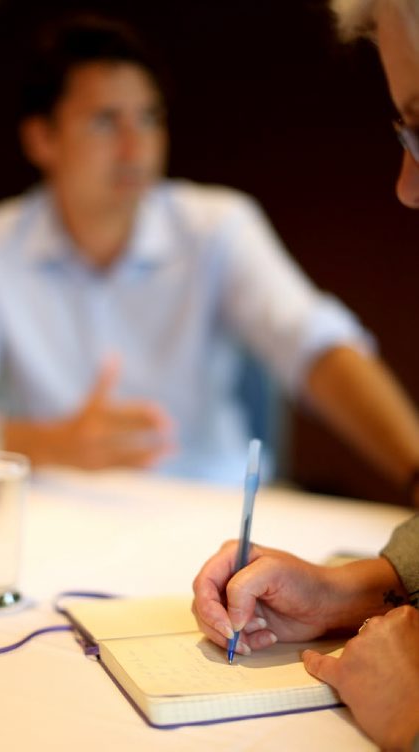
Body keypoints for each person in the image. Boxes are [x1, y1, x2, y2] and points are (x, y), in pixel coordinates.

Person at [0, 14, 419, 490]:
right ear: (41, 138)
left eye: (150, 118)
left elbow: (317, 348)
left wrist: (415, 468)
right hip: (64, 517)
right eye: (105, 122)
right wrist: (52, 444)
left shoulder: (215, 226)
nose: (136, 146)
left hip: (211, 507)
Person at [193, 4, 419, 747]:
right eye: (401, 131)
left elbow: (315, 346)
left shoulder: (210, 225)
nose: (407, 187)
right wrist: (353, 588)